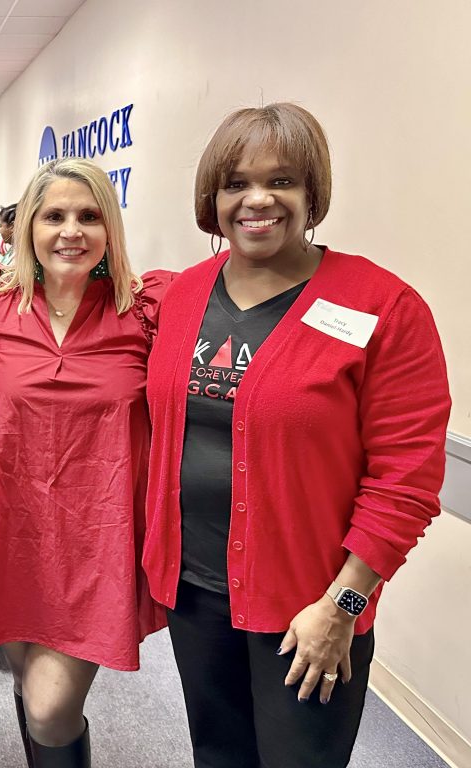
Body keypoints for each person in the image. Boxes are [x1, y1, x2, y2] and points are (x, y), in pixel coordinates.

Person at [143, 103, 450, 768]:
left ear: (312, 193)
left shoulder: (382, 306)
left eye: (281, 180)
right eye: (236, 183)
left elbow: (406, 481)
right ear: (213, 199)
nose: (257, 200)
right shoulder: (182, 297)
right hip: (195, 592)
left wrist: (343, 605)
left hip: (310, 607)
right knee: (218, 755)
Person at [0, 157, 170, 767]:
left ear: (109, 228)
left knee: (49, 706)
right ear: (29, 228)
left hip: (97, 542)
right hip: (7, 536)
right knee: (25, 681)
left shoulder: (145, 312)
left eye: (89, 216)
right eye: (54, 216)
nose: (71, 231)